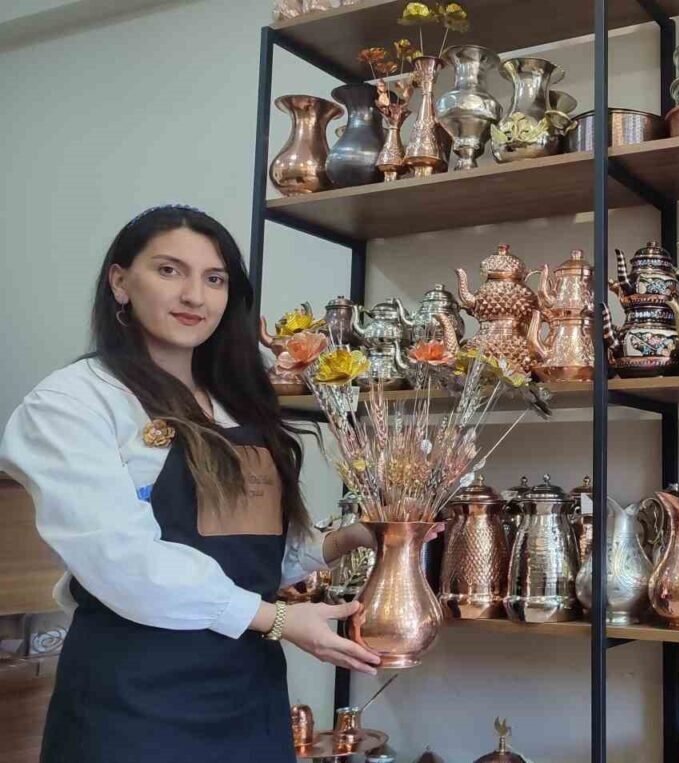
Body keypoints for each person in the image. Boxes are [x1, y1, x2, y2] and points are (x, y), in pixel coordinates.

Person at [0, 205, 388, 762]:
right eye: (169, 270)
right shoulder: (73, 403)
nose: (194, 296)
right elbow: (123, 563)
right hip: (133, 702)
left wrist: (351, 538)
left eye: (214, 279)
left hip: (247, 695)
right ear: (119, 282)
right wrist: (276, 619)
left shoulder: (237, 404)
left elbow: (251, 558)